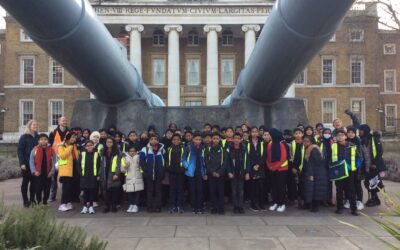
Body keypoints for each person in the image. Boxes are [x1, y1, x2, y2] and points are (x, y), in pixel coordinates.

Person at [331, 129, 361, 216]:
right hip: (338, 172)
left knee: (351, 190)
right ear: (336, 137)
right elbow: (329, 158)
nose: (340, 137)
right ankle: (339, 208)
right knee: (339, 190)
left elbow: (358, 158)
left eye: (342, 135)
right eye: (338, 135)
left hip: (350, 172)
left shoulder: (352, 146)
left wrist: (354, 167)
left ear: (345, 136)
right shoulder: (333, 146)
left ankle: (353, 209)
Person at [358, 124, 386, 207]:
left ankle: (374, 199)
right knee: (368, 183)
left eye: (361, 130)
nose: (359, 131)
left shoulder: (374, 139)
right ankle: (375, 199)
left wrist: (375, 164)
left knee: (373, 182)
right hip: (366, 166)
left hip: (373, 166)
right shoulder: (362, 140)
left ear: (365, 130)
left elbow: (380, 152)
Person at [139, 134, 166, 213]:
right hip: (149, 174)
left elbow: (166, 161)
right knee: (149, 191)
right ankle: (149, 207)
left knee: (158, 191)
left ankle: (158, 207)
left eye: (155, 139)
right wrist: (146, 171)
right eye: (152, 139)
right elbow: (142, 162)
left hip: (159, 174)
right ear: (149, 140)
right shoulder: (145, 149)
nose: (154, 140)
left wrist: (163, 171)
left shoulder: (162, 150)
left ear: (158, 140)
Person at [301, 135, 328, 212]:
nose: (305, 143)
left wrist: (311, 174)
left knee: (315, 190)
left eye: (307, 141)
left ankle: (315, 206)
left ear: (311, 142)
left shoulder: (313, 149)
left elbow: (317, 162)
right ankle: (308, 204)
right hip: (311, 171)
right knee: (309, 189)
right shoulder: (308, 149)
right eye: (304, 141)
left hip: (316, 173)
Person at [182, 132, 207, 214]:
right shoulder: (188, 148)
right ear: (193, 139)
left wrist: (205, 173)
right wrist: (187, 167)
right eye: (196, 139)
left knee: (200, 190)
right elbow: (183, 159)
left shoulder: (203, 148)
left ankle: (200, 206)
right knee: (192, 190)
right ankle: (194, 207)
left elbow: (205, 162)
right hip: (191, 173)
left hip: (200, 172)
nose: (198, 141)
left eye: (199, 139)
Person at [29, 133, 56, 205]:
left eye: (45, 139)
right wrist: (34, 171)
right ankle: (39, 201)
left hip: (48, 174)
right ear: (38, 141)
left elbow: (55, 162)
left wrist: (52, 171)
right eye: (41, 139)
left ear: (47, 141)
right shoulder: (35, 149)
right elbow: (31, 161)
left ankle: (44, 202)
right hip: (38, 174)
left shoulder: (51, 150)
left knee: (47, 189)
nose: (43, 141)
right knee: (38, 189)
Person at [48, 116, 70, 202]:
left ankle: (66, 197)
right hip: (55, 156)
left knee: (65, 177)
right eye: (63, 120)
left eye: (66, 120)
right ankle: (52, 196)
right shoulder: (53, 132)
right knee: (53, 176)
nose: (65, 122)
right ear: (59, 122)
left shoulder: (70, 132)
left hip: (65, 156)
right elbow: (49, 145)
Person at [17, 120, 39, 207]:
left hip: (35, 164)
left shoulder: (38, 137)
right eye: (34, 125)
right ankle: (25, 200)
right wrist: (22, 163)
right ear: (29, 126)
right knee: (25, 183)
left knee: (34, 183)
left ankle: (32, 200)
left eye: (36, 125)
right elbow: (20, 151)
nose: (35, 126)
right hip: (26, 164)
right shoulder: (24, 137)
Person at [266, 128, 288, 213]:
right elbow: (267, 156)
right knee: (274, 187)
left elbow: (283, 158)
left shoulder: (282, 144)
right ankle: (275, 202)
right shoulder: (270, 144)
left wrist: (274, 167)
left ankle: (281, 203)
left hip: (281, 169)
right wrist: (270, 166)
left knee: (281, 187)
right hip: (272, 169)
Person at [204, 132, 227, 215]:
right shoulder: (208, 149)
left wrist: (219, 172)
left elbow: (225, 162)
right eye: (214, 138)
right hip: (211, 174)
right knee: (212, 191)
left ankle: (221, 208)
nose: (215, 140)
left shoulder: (223, 149)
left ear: (219, 139)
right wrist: (212, 171)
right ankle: (213, 207)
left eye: (217, 138)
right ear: (211, 139)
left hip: (220, 175)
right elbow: (206, 162)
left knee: (221, 191)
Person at [100, 136, 123, 213]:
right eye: (107, 142)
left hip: (113, 173)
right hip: (105, 172)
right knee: (106, 190)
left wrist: (117, 173)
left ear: (113, 143)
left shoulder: (118, 152)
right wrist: (99, 174)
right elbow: (100, 163)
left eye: (110, 142)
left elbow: (119, 164)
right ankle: (107, 205)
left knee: (114, 190)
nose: (108, 143)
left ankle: (114, 205)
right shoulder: (102, 151)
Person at [57, 133, 79, 211]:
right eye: (72, 137)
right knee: (65, 188)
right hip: (66, 170)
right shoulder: (61, 146)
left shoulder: (75, 146)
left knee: (71, 187)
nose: (74, 139)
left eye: (75, 138)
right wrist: (70, 147)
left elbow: (76, 157)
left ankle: (68, 202)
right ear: (68, 138)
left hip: (74, 169)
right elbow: (63, 156)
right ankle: (62, 204)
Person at [228, 132, 249, 214]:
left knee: (240, 191)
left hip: (241, 172)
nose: (236, 140)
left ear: (241, 139)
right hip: (233, 172)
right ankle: (235, 206)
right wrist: (229, 171)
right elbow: (227, 161)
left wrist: (247, 172)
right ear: (233, 139)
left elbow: (247, 161)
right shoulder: (229, 148)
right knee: (234, 191)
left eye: (238, 138)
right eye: (235, 138)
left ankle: (240, 206)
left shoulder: (244, 148)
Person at [247, 127, 266, 212]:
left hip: (260, 168)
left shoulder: (262, 143)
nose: (254, 133)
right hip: (252, 168)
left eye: (256, 132)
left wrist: (258, 164)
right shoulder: (247, 143)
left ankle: (261, 204)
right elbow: (247, 156)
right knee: (253, 187)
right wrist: (253, 165)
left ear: (258, 133)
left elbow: (264, 156)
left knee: (261, 187)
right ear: (250, 133)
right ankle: (253, 204)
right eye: (253, 132)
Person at [345, 126, 365, 211]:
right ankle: (349, 200)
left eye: (352, 132)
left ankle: (359, 201)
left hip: (357, 168)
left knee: (357, 184)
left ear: (355, 133)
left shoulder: (358, 142)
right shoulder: (345, 142)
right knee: (348, 185)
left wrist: (357, 165)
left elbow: (361, 156)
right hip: (347, 167)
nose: (350, 134)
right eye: (349, 132)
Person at [79, 140, 101, 214]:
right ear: (85, 147)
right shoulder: (82, 154)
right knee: (85, 191)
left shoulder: (96, 154)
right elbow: (78, 165)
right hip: (84, 176)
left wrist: (98, 175)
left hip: (93, 176)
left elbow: (99, 165)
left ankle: (91, 206)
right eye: (88, 145)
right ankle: (85, 206)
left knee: (92, 191)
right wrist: (81, 174)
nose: (89, 147)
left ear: (93, 146)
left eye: (91, 145)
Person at [122, 145, 144, 213]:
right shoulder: (124, 158)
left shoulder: (139, 157)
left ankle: (136, 205)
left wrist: (140, 165)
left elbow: (143, 168)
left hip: (138, 177)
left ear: (136, 151)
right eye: (130, 151)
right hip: (129, 177)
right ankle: (131, 204)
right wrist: (126, 166)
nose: (132, 152)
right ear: (128, 152)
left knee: (137, 192)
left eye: (133, 151)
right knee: (130, 192)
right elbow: (122, 170)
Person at [167, 133, 185, 213]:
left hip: (181, 173)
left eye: (178, 139)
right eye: (174, 139)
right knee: (172, 190)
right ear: (172, 141)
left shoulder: (183, 149)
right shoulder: (169, 149)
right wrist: (169, 168)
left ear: (180, 140)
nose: (176, 141)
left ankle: (180, 206)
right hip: (172, 172)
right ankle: (172, 205)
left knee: (180, 190)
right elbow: (166, 160)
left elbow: (186, 160)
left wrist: (183, 168)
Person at [288, 128, 304, 207]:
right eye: (296, 133)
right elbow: (290, 157)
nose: (298, 135)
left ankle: (301, 199)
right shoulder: (291, 144)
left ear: (302, 134)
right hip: (294, 167)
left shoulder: (305, 143)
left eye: (299, 133)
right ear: (294, 135)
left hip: (303, 167)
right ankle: (294, 199)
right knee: (293, 184)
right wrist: (293, 167)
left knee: (302, 184)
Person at [320, 128, 335, 207]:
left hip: (331, 165)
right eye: (325, 132)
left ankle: (329, 199)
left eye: (329, 133)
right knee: (322, 183)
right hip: (322, 165)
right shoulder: (320, 142)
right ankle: (323, 200)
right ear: (322, 133)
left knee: (330, 183)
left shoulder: (333, 142)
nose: (327, 134)